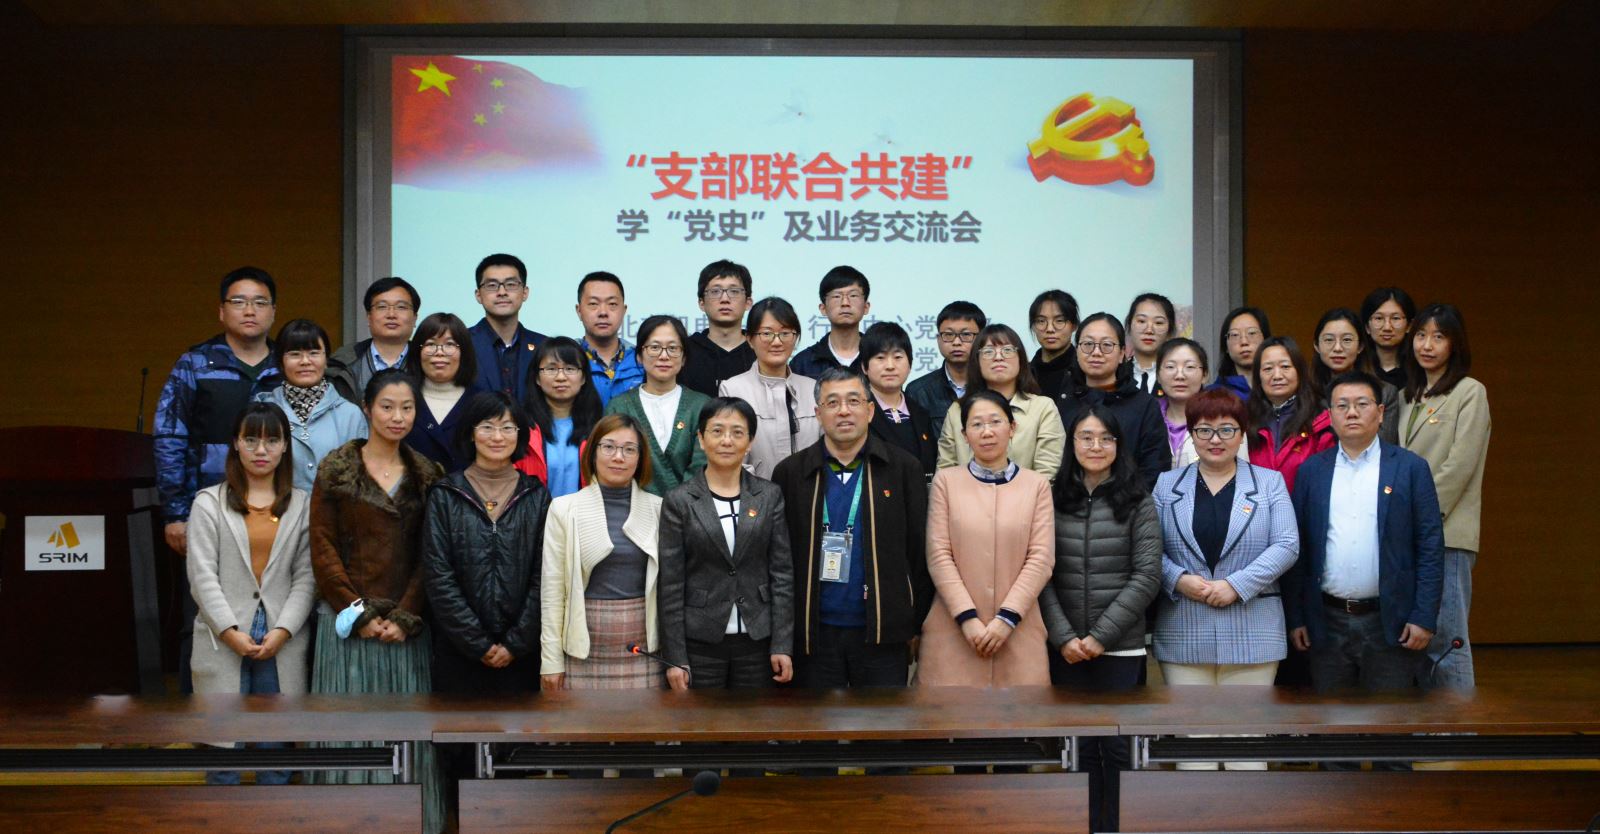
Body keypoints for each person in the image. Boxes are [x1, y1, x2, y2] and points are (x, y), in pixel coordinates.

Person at [307, 369, 445, 832]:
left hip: (407, 630)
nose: (397, 416)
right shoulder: (335, 469)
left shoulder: (428, 475)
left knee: (408, 737)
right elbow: (322, 548)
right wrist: (358, 611)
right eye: (387, 406)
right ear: (367, 409)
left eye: (407, 407)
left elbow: (432, 554)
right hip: (349, 628)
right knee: (348, 736)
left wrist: (405, 614)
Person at [1152, 389, 1297, 770]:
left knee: (1246, 750)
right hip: (1185, 627)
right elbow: (1148, 549)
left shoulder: (1269, 483)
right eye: (1204, 430)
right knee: (1193, 752)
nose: (1215, 439)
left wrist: (1237, 585)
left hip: (1253, 629)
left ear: (1242, 433)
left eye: (1226, 429)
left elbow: (1287, 544)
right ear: (1191, 434)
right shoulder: (1166, 485)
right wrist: (1178, 579)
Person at [155, 265, 282, 693]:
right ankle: (199, 719)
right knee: (204, 614)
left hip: (276, 511)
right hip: (209, 512)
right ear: (221, 310)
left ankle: (273, 726)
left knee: (272, 614)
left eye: (260, 302)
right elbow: (170, 436)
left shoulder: (287, 363)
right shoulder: (195, 364)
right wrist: (176, 513)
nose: (250, 310)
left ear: (273, 311)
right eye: (239, 301)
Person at [1038, 406, 1161, 834]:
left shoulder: (1139, 499)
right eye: (1086, 437)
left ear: (1118, 445)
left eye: (1106, 438)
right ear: (1071, 444)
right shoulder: (1051, 498)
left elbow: (1147, 575)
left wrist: (1101, 637)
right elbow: (1040, 572)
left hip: (1120, 648)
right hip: (1066, 649)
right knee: (1077, 751)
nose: (1096, 446)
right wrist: (1063, 636)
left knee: (1120, 748)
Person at [771, 368, 931, 688]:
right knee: (816, 721)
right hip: (812, 635)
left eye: (854, 401)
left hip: (884, 633)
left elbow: (919, 553)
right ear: (818, 414)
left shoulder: (902, 469)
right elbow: (779, 561)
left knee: (880, 720)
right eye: (832, 402)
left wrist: (914, 624)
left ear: (870, 411)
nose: (844, 411)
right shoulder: (791, 473)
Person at [1286, 372, 1443, 694]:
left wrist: (1423, 616)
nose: (1352, 413)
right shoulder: (1311, 471)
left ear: (1381, 412)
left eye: (1362, 404)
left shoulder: (1411, 468)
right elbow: (1298, 548)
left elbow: (1430, 546)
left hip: (1391, 622)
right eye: (1342, 406)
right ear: (1330, 416)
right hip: (1326, 622)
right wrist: (1296, 617)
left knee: (1388, 719)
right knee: (1330, 719)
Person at [186, 402, 315, 786]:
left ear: (285, 446)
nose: (262, 450)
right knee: (223, 750)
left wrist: (283, 630)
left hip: (281, 639)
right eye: (251, 440)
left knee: (275, 752)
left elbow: (306, 577)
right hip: (221, 637)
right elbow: (202, 577)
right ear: (235, 443)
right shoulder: (208, 502)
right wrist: (229, 631)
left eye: (272, 440)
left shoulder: (303, 505)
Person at [920, 390, 1055, 687]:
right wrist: (967, 618)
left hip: (1018, 632)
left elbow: (1041, 558)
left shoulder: (1036, 485)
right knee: (948, 712)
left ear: (1012, 428)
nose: (987, 432)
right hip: (954, 631)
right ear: (964, 435)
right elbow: (939, 555)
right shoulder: (946, 482)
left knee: (1021, 713)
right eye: (977, 424)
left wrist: (1006, 619)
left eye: (996, 421)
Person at [658, 398, 795, 689]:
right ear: (701, 438)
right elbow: (671, 584)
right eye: (717, 431)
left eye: (737, 432)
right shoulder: (679, 500)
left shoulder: (769, 496)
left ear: (750, 441)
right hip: (699, 640)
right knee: (702, 719)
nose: (726, 441)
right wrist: (675, 657)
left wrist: (782, 644)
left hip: (758, 639)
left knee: (754, 718)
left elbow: (782, 574)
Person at [423, 391, 549, 695]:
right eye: (487, 427)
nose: (498, 437)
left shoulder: (536, 496)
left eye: (507, 428)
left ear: (520, 435)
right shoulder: (445, 494)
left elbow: (545, 575)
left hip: (522, 653)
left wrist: (515, 642)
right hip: (458, 651)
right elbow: (438, 575)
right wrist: (476, 642)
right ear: (471, 432)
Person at [1400, 303, 1490, 688]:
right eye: (1421, 335)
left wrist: (1420, 518)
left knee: (1447, 637)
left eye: (1439, 337)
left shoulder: (1469, 392)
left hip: (1447, 532)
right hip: (1410, 534)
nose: (1427, 345)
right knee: (1417, 637)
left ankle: (1455, 723)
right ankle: (1429, 720)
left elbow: (1460, 465)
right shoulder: (1407, 396)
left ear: (1455, 344)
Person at [541, 414, 664, 690]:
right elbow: (552, 592)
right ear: (592, 452)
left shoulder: (659, 508)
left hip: (643, 644)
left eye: (629, 449)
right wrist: (550, 661)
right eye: (608, 447)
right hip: (581, 646)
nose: (618, 457)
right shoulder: (563, 509)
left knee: (644, 718)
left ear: (640, 458)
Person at [1055, 313, 1172, 490]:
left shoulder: (1144, 405)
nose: (1096, 352)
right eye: (1088, 344)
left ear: (1122, 354)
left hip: (1129, 503)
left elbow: (1154, 469)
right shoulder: (1064, 403)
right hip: (1070, 504)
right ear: (1077, 350)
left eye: (1107, 345)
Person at [936, 324, 1065, 482]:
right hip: (966, 497)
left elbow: (1047, 471)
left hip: (1028, 496)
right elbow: (946, 471)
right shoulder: (958, 410)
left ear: (1021, 359)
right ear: (976, 361)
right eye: (988, 351)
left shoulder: (1043, 408)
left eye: (1007, 350)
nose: (998, 357)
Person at [257, 319, 368, 491]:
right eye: (295, 354)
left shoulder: (350, 414)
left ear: (326, 359)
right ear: (280, 362)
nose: (305, 361)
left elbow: (360, 479)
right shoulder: (263, 409)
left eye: (314, 353)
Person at [605, 315, 709, 496]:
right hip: (631, 508)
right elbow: (610, 464)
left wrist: (677, 505)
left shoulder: (702, 406)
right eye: (654, 347)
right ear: (639, 356)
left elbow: (703, 466)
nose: (664, 356)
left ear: (684, 357)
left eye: (673, 348)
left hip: (689, 509)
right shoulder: (619, 406)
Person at [718, 297, 821, 479]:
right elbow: (732, 457)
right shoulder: (733, 389)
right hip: (755, 494)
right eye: (767, 333)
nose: (777, 342)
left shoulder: (813, 389)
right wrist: (763, 492)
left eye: (785, 333)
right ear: (750, 339)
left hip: (810, 493)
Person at [517, 337, 603, 498]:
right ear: (537, 378)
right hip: (535, 513)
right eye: (551, 369)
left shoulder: (599, 428)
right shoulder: (520, 428)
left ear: (583, 377)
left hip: (586, 513)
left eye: (570, 368)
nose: (561, 377)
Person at [1248, 336, 1335, 494]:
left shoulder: (1321, 420)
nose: (1277, 375)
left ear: (1299, 371)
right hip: (1256, 508)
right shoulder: (1246, 419)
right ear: (1258, 376)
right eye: (1268, 369)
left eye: (1285, 366)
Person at [405, 313, 481, 473]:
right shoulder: (403, 397)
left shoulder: (481, 402)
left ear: (464, 352)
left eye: (449, 344)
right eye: (430, 344)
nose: (439, 352)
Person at [860, 322, 938, 480]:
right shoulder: (857, 412)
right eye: (880, 358)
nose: (890, 366)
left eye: (898, 357)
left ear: (910, 364)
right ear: (864, 367)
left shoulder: (921, 413)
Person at [1311, 307, 1399, 444]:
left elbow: (1384, 444)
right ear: (1317, 346)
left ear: (1360, 346)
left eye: (1347, 340)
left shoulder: (1385, 392)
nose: (1337, 348)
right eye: (1329, 340)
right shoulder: (1305, 393)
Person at [468, 253, 546, 401]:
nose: (502, 292)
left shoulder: (544, 346)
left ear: (525, 292)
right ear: (478, 295)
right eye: (492, 286)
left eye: (511, 285)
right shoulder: (462, 344)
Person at [1156, 338, 1244, 470]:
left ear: (1205, 375)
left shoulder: (1226, 414)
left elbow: (1242, 469)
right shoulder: (1147, 415)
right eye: (1170, 367)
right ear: (1158, 375)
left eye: (1190, 367)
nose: (1180, 375)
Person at [328, 276, 420, 402]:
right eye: (382, 307)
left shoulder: (428, 362)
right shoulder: (342, 363)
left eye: (401, 307)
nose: (391, 315)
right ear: (368, 317)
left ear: (415, 318)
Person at [907, 300, 986, 443]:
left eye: (966, 334)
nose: (957, 342)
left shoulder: (992, 385)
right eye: (948, 335)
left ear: (981, 338)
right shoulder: (918, 391)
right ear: (938, 339)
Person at [681, 259, 756, 397]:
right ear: (701, 303)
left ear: (748, 302)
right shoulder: (685, 351)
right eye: (715, 291)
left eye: (734, 291)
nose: (725, 299)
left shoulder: (760, 350)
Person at [576, 271, 644, 406]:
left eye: (612, 304)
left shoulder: (641, 359)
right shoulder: (566, 360)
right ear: (579, 311)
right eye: (593, 304)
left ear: (624, 310)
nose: (603, 312)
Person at [790, 265, 870, 378]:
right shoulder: (803, 363)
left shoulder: (876, 357)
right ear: (823, 308)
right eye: (837, 296)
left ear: (866, 307)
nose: (845, 303)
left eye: (853, 295)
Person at [1360, 286, 1417, 390]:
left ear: (1409, 325)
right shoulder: (1356, 369)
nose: (1387, 327)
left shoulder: (1419, 370)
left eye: (1395, 318)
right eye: (1379, 318)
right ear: (1367, 327)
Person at [1028, 289, 1080, 398]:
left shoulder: (1085, 371)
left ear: (1074, 325)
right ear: (1033, 326)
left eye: (1059, 321)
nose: (1050, 329)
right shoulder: (1023, 374)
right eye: (1041, 321)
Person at [1213, 306, 1271, 398]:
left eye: (1252, 333)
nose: (1244, 342)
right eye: (1235, 335)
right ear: (1226, 346)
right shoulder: (1214, 395)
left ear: (1266, 339)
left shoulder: (1280, 388)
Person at [1125, 292, 1176, 394]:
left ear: (1169, 331)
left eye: (1158, 323)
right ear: (1129, 326)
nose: (1149, 330)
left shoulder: (1178, 376)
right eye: (1141, 321)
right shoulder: (1115, 375)